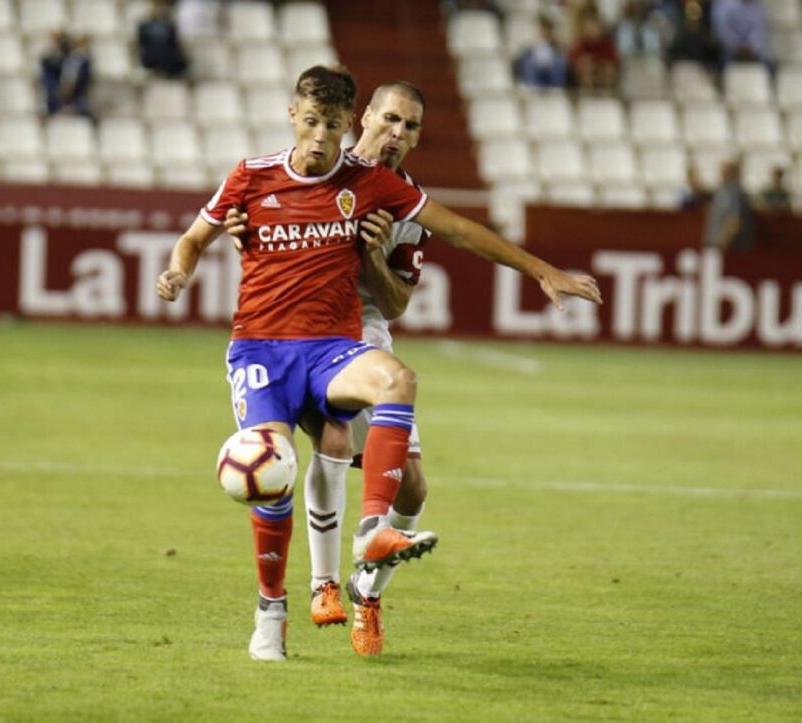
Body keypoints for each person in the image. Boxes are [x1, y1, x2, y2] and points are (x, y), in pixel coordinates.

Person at [156, 65, 602, 662]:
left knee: (398, 385)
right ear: (300, 116)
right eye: (313, 121)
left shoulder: (377, 186)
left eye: (331, 124)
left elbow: (461, 231)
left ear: (349, 124)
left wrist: (543, 270)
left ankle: (369, 539)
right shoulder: (251, 174)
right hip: (262, 346)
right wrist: (181, 269)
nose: (321, 135)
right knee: (280, 467)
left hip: (338, 343)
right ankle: (275, 609)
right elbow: (195, 237)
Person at [223, 81, 435, 657]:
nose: (397, 134)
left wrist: (372, 253)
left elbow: (394, 304)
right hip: (303, 335)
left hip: (364, 332)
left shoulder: (408, 203)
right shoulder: (321, 165)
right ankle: (321, 586)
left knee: (413, 487)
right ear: (364, 116)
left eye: (410, 127)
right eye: (390, 119)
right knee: (332, 435)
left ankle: (368, 590)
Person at [703, 159, 754, 252]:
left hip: (726, 247)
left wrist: (723, 244)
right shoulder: (721, 190)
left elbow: (734, 221)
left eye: (724, 170)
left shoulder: (735, 193)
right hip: (714, 244)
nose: (721, 173)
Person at [40, 31, 93, 117]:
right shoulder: (49, 61)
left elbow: (68, 85)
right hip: (59, 103)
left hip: (73, 102)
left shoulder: (79, 60)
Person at [138, 0, 189, 78]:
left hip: (168, 58)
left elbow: (174, 43)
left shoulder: (169, 25)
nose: (160, 10)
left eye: (162, 7)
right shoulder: (144, 25)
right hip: (152, 58)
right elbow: (141, 44)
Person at [514, 16, 569, 89]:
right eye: (543, 30)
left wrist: (555, 44)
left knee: (560, 62)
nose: (545, 32)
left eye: (546, 30)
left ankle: (557, 89)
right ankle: (533, 88)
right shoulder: (533, 43)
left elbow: (563, 52)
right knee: (528, 63)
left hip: (551, 67)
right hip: (536, 66)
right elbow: (523, 54)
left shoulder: (556, 43)